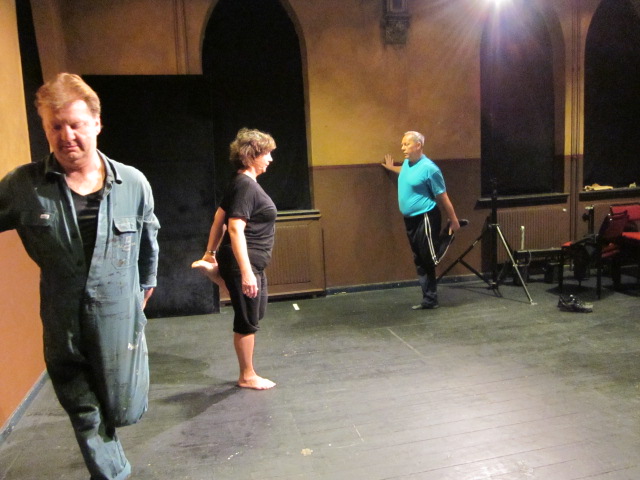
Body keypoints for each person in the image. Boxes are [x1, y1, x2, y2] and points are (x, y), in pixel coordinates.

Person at [0, 73, 160, 480]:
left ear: (97, 123)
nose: (67, 136)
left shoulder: (132, 183)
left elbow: (149, 240)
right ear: (45, 129)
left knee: (123, 409)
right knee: (85, 410)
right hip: (64, 321)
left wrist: (143, 288)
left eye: (75, 124)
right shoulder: (23, 186)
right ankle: (113, 474)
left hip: (118, 318)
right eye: (56, 126)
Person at [192, 128, 277, 390]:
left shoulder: (240, 183)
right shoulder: (245, 186)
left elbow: (219, 217)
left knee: (256, 310)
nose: (270, 159)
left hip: (250, 262)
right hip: (244, 262)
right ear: (251, 156)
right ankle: (247, 375)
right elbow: (234, 228)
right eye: (266, 154)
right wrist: (246, 271)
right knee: (247, 319)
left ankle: (217, 275)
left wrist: (210, 253)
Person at [382, 130, 460, 310]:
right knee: (420, 259)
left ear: (418, 145)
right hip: (410, 220)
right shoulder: (408, 164)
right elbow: (406, 173)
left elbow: (443, 196)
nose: (402, 148)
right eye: (402, 144)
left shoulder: (430, 168)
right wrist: (391, 167)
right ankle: (429, 300)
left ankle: (448, 235)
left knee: (430, 258)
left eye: (406, 144)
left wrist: (454, 219)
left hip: (426, 216)